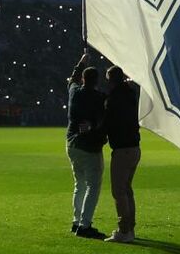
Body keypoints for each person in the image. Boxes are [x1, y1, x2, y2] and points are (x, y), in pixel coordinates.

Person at [66, 51, 106, 239]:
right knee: (93, 186)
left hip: (72, 143)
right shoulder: (98, 97)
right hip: (89, 146)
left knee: (79, 183)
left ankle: (76, 221)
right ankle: (85, 224)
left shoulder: (74, 91)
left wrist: (81, 61)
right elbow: (102, 119)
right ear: (96, 80)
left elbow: (72, 79)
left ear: (83, 79)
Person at [103, 66, 141, 244]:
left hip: (122, 149)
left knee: (119, 191)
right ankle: (130, 228)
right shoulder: (131, 94)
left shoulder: (114, 99)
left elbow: (109, 123)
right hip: (134, 147)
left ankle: (124, 230)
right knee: (127, 190)